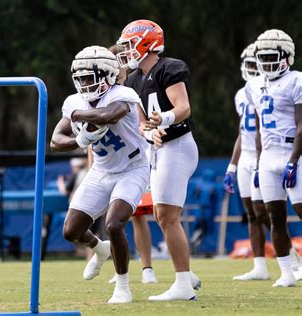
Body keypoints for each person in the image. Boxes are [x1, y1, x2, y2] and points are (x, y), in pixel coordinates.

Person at [50, 45, 150, 303]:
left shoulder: (123, 94)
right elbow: (56, 140)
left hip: (132, 168)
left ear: (106, 75)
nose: (83, 83)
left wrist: (75, 115)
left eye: (88, 77)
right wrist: (79, 140)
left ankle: (123, 286)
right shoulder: (74, 100)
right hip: (102, 171)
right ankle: (100, 248)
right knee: (71, 231)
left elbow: (109, 114)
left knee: (114, 223)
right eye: (80, 78)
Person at [116, 19, 200, 301]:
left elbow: (183, 107)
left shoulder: (168, 68)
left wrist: (164, 119)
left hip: (177, 145)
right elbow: (141, 123)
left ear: (147, 43)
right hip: (159, 149)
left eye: (129, 45)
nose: (126, 52)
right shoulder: (133, 79)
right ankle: (186, 274)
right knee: (162, 216)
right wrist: (148, 133)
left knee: (167, 216)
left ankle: (184, 284)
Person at [246, 29, 302, 287]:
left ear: (287, 57)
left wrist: (293, 160)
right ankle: (287, 273)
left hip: (294, 153)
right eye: (263, 57)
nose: (267, 63)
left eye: (272, 57)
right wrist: (258, 164)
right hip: (268, 157)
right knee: (273, 216)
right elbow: (258, 129)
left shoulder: (297, 80)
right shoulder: (253, 85)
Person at [107, 44, 158, 284]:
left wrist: (152, 135)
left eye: (123, 58)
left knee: (155, 213)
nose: (121, 63)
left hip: (141, 156)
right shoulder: (104, 89)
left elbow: (144, 122)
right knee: (115, 217)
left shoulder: (136, 83)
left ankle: (149, 267)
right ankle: (118, 267)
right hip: (112, 161)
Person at [223, 43, 272, 280]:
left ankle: (293, 258)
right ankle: (259, 265)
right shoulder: (241, 94)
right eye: (249, 64)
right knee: (252, 213)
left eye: (256, 64)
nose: (252, 68)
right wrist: (232, 166)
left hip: (267, 155)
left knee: (265, 211)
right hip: (247, 156)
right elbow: (243, 133)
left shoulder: (269, 88)